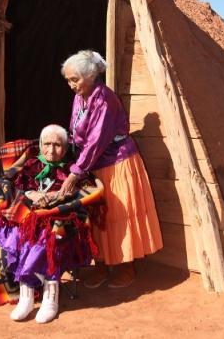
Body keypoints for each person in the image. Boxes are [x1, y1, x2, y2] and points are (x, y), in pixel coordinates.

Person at [60, 50, 163, 288]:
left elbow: (97, 139)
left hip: (117, 163)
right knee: (97, 217)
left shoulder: (104, 99)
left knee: (119, 214)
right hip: (92, 164)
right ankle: (102, 265)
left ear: (90, 75)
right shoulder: (80, 97)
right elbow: (77, 133)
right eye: (68, 80)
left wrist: (76, 172)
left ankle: (126, 267)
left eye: (74, 79)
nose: (71, 85)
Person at [0, 124, 96, 323]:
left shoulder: (71, 170)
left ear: (65, 149)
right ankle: (27, 296)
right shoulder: (31, 164)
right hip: (32, 215)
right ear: (40, 145)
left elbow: (85, 190)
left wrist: (57, 196)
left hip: (59, 217)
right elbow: (18, 188)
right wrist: (34, 195)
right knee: (25, 232)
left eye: (57, 145)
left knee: (49, 234)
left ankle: (50, 295)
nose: (51, 149)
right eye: (47, 144)